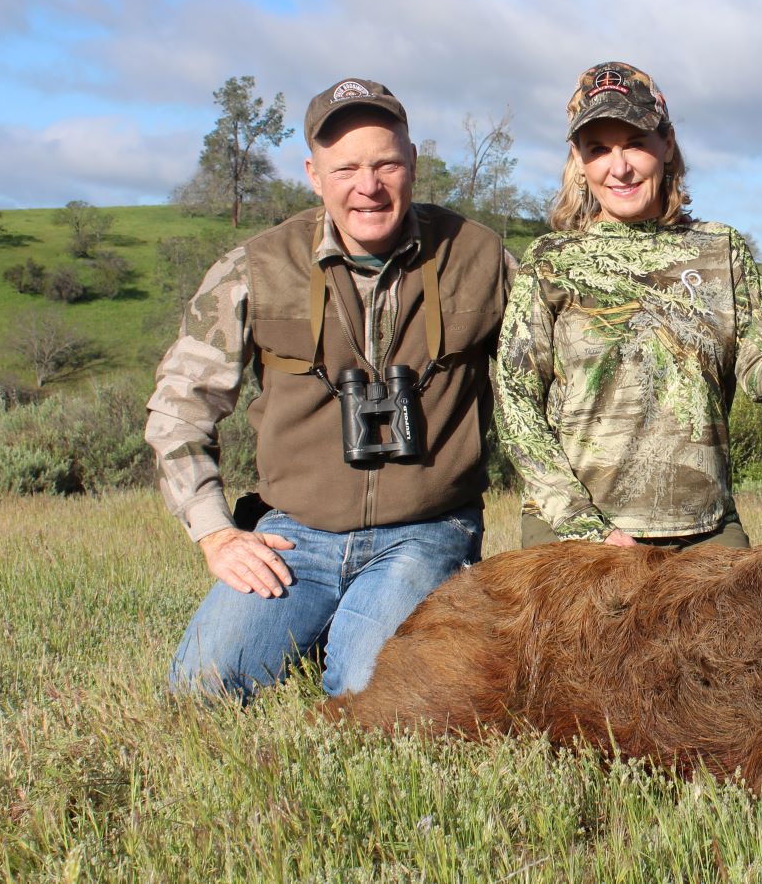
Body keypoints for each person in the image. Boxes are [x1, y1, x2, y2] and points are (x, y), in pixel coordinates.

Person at [147, 77, 510, 701]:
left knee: (374, 697)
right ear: (315, 175)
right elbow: (179, 407)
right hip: (296, 534)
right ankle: (326, 623)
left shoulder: (481, 258)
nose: (367, 186)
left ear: (413, 163)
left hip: (426, 532)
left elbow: (555, 386)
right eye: (345, 168)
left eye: (385, 163)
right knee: (200, 690)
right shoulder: (256, 267)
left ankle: (354, 632)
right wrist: (215, 532)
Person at [495, 61, 762, 549]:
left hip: (704, 530)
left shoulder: (722, 248)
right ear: (579, 159)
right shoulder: (550, 260)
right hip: (575, 534)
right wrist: (584, 526)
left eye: (635, 143)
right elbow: (516, 403)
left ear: (667, 144)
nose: (619, 168)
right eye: (598, 150)